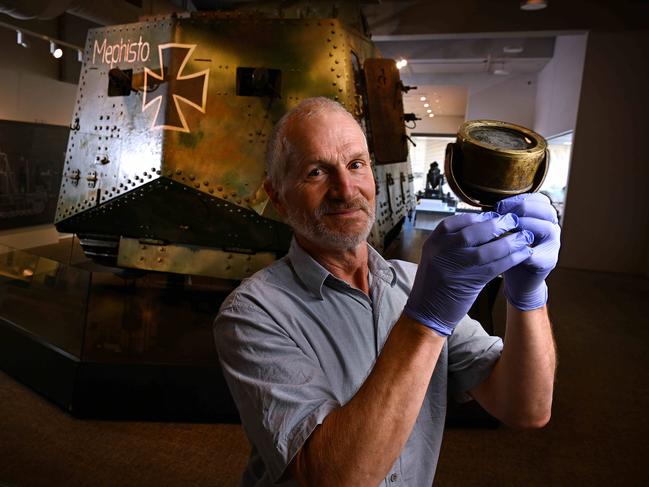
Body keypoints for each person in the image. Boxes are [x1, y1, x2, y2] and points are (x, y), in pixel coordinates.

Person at [213, 97, 559, 486]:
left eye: (356, 165)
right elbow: (332, 478)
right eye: (316, 172)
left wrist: (528, 296)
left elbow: (526, 409)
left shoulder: (415, 283)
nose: (345, 189)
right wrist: (425, 324)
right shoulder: (251, 313)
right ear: (277, 197)